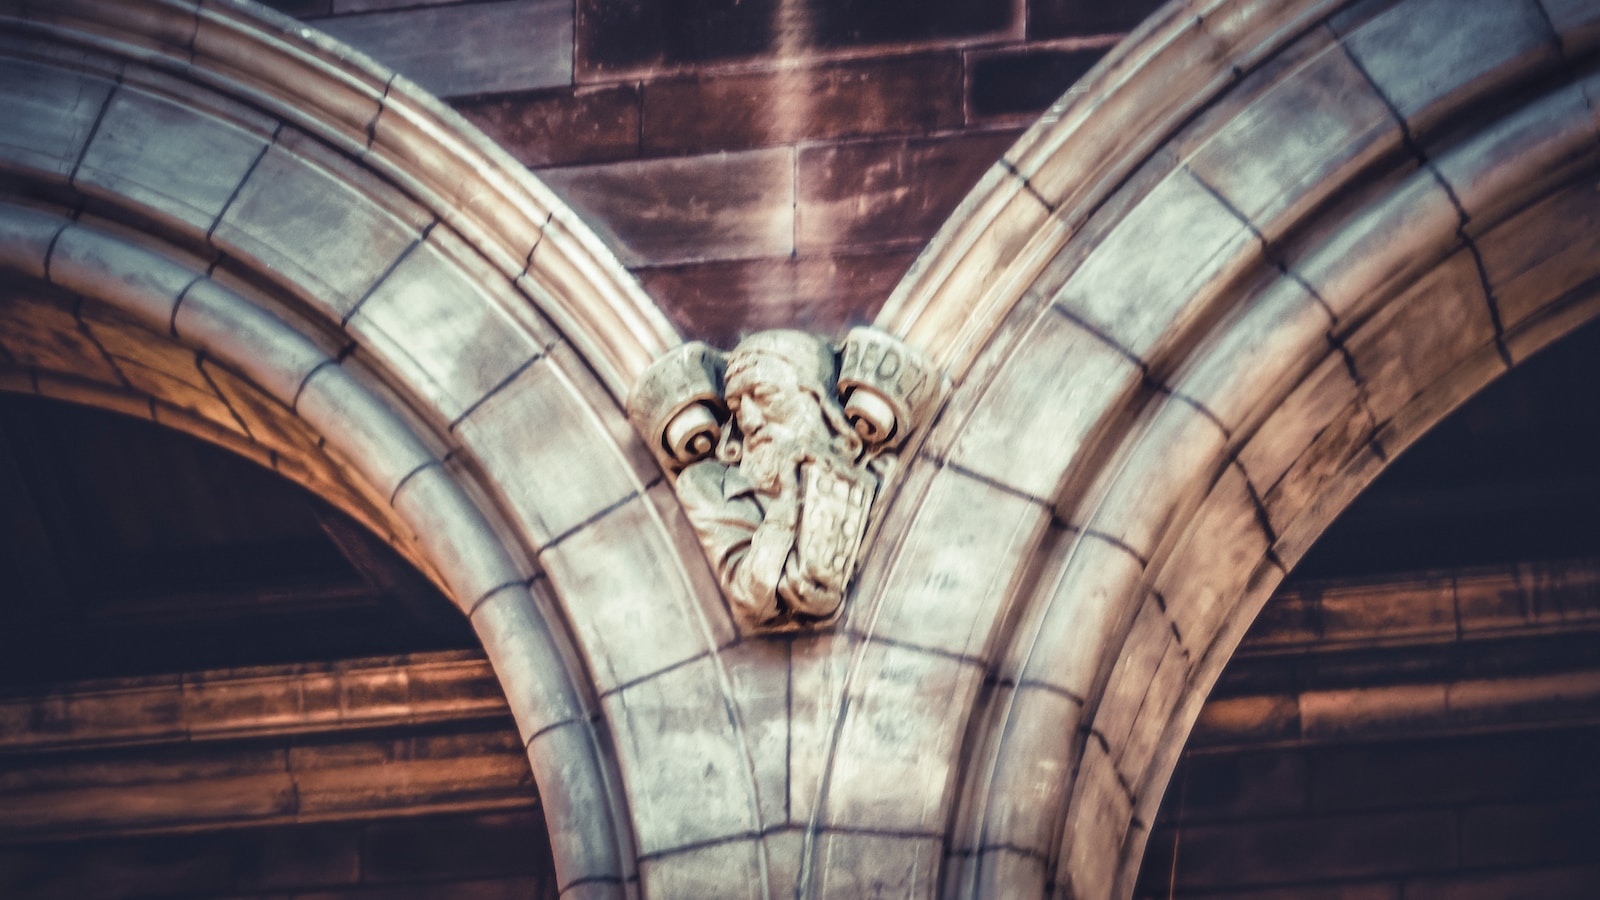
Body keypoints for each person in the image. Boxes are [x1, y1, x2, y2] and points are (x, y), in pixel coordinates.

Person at [674, 331, 871, 626]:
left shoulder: (874, 478)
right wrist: (786, 503)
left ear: (815, 398)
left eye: (764, 395)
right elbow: (750, 597)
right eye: (737, 408)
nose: (750, 421)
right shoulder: (708, 486)